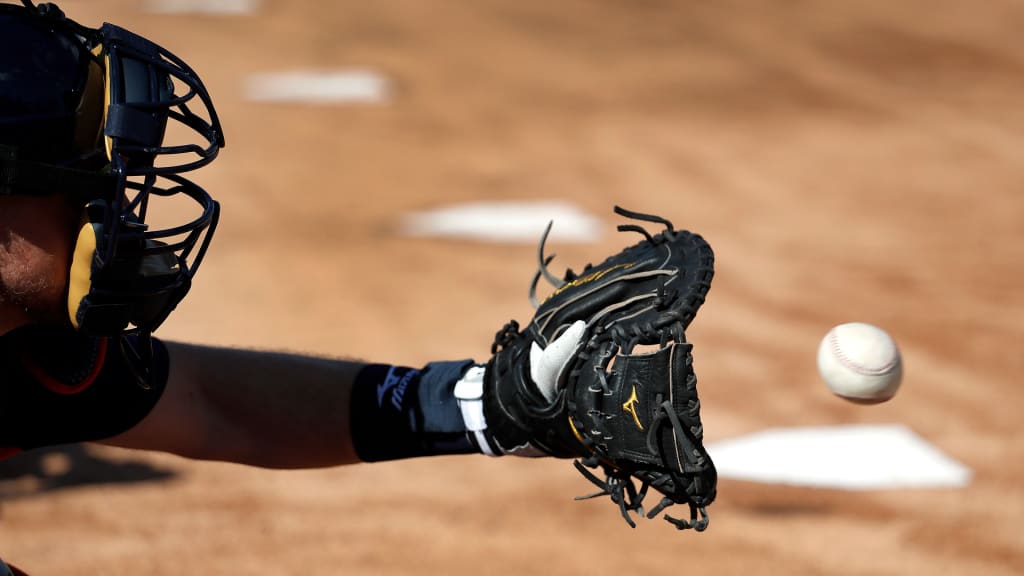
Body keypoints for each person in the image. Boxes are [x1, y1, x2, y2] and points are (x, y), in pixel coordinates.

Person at [0, 2, 593, 573]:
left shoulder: (25, 351)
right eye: (80, 183)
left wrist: (488, 404)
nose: (120, 218)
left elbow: (209, 403)